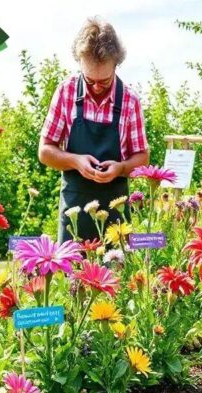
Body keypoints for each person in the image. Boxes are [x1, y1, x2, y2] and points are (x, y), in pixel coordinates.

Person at [39, 17, 149, 243]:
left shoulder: (129, 101)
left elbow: (143, 157)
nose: (96, 87)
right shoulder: (66, 92)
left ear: (116, 65)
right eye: (89, 80)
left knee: (117, 276)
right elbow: (45, 151)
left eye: (104, 81)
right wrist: (75, 161)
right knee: (72, 276)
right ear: (80, 64)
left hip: (115, 214)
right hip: (74, 212)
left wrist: (120, 168)